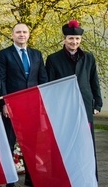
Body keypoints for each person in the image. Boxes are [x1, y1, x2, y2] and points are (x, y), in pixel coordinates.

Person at [45, 19, 103, 179]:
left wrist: (97, 103)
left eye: (77, 39)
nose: (74, 42)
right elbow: (49, 86)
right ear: (64, 39)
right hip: (63, 108)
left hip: (85, 106)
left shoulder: (89, 58)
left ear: (80, 40)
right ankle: (63, 177)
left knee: (86, 143)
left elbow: (94, 81)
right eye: (71, 38)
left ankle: (89, 177)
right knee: (65, 142)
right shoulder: (53, 59)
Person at [0, 23, 48, 187]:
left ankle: (31, 180)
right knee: (9, 143)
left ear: (29, 34)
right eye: (18, 32)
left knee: (32, 144)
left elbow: (42, 79)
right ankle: (10, 181)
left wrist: (43, 104)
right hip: (11, 106)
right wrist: (4, 103)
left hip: (32, 106)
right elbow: (1, 80)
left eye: (24, 32)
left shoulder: (37, 54)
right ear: (12, 35)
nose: (21, 34)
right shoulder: (4, 55)